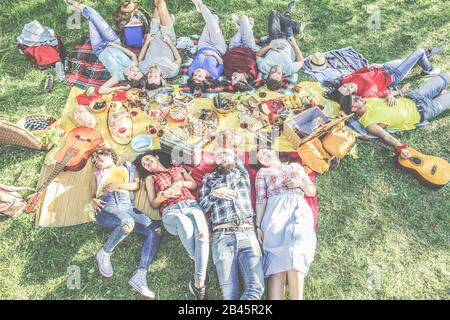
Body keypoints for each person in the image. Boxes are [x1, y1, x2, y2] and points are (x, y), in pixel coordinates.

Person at [134, 151, 210, 300]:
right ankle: (198, 261)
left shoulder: (177, 168)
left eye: (148, 160)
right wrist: (164, 195)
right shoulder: (150, 178)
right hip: (170, 211)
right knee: (183, 221)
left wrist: (181, 183)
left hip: (191, 205)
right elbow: (153, 203)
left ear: (156, 157)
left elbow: (193, 184)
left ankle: (198, 283)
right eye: (144, 164)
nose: (147, 164)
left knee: (202, 235)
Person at [90, 148, 161, 299]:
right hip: (106, 205)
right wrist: (93, 199)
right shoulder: (96, 174)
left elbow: (136, 186)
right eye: (94, 162)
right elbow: (92, 194)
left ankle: (140, 275)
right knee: (127, 223)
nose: (96, 162)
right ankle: (104, 253)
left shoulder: (128, 167)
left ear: (110, 156)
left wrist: (118, 185)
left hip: (126, 205)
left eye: (98, 157)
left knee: (155, 230)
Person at [199, 149, 265, 300]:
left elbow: (241, 151)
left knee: (256, 288)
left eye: (226, 155)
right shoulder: (208, 178)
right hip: (222, 236)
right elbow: (202, 206)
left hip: (247, 232)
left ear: (235, 158)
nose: (222, 158)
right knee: (229, 294)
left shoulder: (242, 174)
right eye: (219, 156)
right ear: (215, 163)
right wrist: (215, 193)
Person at [340, 72, 450, 158]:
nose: (358, 97)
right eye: (355, 100)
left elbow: (385, 94)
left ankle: (438, 93)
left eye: (356, 96)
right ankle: (439, 95)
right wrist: (401, 148)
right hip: (425, 110)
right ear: (354, 108)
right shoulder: (368, 123)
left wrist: (391, 95)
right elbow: (386, 136)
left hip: (415, 96)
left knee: (445, 76)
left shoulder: (367, 100)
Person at [254, 149, 317, 300]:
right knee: (276, 258)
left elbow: (311, 191)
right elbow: (260, 199)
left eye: (266, 151)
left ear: (275, 152)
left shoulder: (295, 167)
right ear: (260, 162)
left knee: (297, 252)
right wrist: (257, 225)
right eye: (260, 156)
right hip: (275, 208)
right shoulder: (262, 173)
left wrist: (299, 183)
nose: (264, 155)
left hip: (298, 206)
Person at [64, 0, 145, 94]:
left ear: (130, 78)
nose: (135, 70)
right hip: (113, 41)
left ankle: (78, 8)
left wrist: (121, 88)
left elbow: (102, 90)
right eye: (138, 71)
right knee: (95, 15)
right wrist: (117, 46)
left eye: (134, 74)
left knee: (91, 20)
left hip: (99, 48)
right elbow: (133, 56)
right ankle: (76, 5)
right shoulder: (133, 65)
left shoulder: (117, 77)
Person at [326, 45, 445, 105]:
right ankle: (429, 69)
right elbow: (384, 93)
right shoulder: (365, 94)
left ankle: (426, 57)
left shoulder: (346, 79)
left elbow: (356, 72)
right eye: (347, 90)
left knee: (411, 59)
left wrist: (369, 66)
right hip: (394, 76)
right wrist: (399, 92)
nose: (348, 86)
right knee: (418, 52)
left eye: (345, 86)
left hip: (384, 67)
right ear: (351, 95)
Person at [256, 1, 304, 91]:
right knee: (286, 24)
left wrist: (270, 47)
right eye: (278, 73)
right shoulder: (289, 69)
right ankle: (290, 18)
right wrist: (295, 45)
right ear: (282, 77)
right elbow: (301, 62)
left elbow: (257, 55)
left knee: (274, 13)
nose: (276, 69)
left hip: (274, 37)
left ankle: (294, 24)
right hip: (288, 39)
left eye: (273, 71)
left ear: (268, 74)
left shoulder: (263, 67)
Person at [138, 0, 182, 89]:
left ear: (146, 79)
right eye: (155, 76)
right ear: (162, 80)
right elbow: (178, 59)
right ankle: (167, 20)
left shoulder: (144, 69)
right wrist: (169, 42)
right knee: (161, 5)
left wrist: (147, 42)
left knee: (157, 8)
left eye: (150, 76)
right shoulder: (171, 71)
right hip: (167, 37)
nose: (152, 73)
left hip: (153, 36)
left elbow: (140, 58)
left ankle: (167, 19)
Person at [187, 0, 227, 92]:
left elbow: (193, 59)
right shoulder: (214, 74)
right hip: (218, 48)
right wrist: (213, 54)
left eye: (194, 76)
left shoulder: (190, 71)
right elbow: (221, 63)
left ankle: (209, 14)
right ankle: (201, 5)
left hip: (203, 44)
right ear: (204, 79)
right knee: (212, 24)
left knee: (211, 23)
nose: (196, 74)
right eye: (199, 76)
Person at [222, 15, 258, 92]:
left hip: (234, 46)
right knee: (244, 18)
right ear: (243, 79)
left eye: (232, 80)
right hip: (248, 46)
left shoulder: (228, 73)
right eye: (235, 78)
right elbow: (255, 58)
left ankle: (242, 26)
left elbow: (224, 59)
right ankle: (245, 26)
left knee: (242, 25)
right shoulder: (252, 73)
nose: (232, 77)